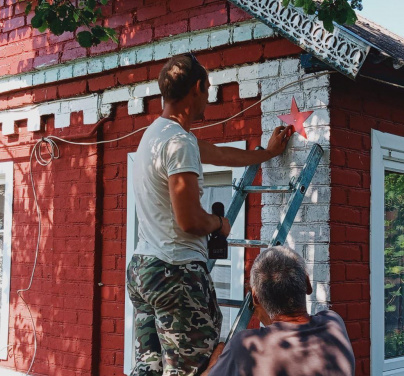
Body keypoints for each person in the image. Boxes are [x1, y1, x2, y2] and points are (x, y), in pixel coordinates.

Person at [126, 53, 293, 376]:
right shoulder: (178, 142)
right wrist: (220, 223)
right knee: (194, 370)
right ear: (198, 88)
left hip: (144, 270)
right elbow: (189, 220)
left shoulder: (156, 135)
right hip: (175, 272)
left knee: (149, 369)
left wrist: (267, 153)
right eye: (207, 90)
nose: (208, 99)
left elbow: (217, 153)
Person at [203, 246, 355, 376]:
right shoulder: (333, 323)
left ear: (255, 298)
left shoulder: (246, 346)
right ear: (308, 284)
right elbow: (290, 329)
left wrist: (213, 365)